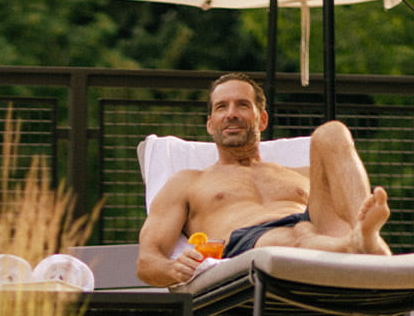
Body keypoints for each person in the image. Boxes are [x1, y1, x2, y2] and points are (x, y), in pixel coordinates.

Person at [137, 72, 391, 288]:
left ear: (263, 120)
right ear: (210, 125)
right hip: (252, 242)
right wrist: (173, 269)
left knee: (332, 132)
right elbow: (147, 261)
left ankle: (362, 233)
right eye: (221, 107)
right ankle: (361, 247)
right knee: (294, 238)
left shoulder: (299, 173)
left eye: (243, 105)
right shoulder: (188, 182)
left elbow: (327, 209)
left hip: (316, 227)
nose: (231, 114)